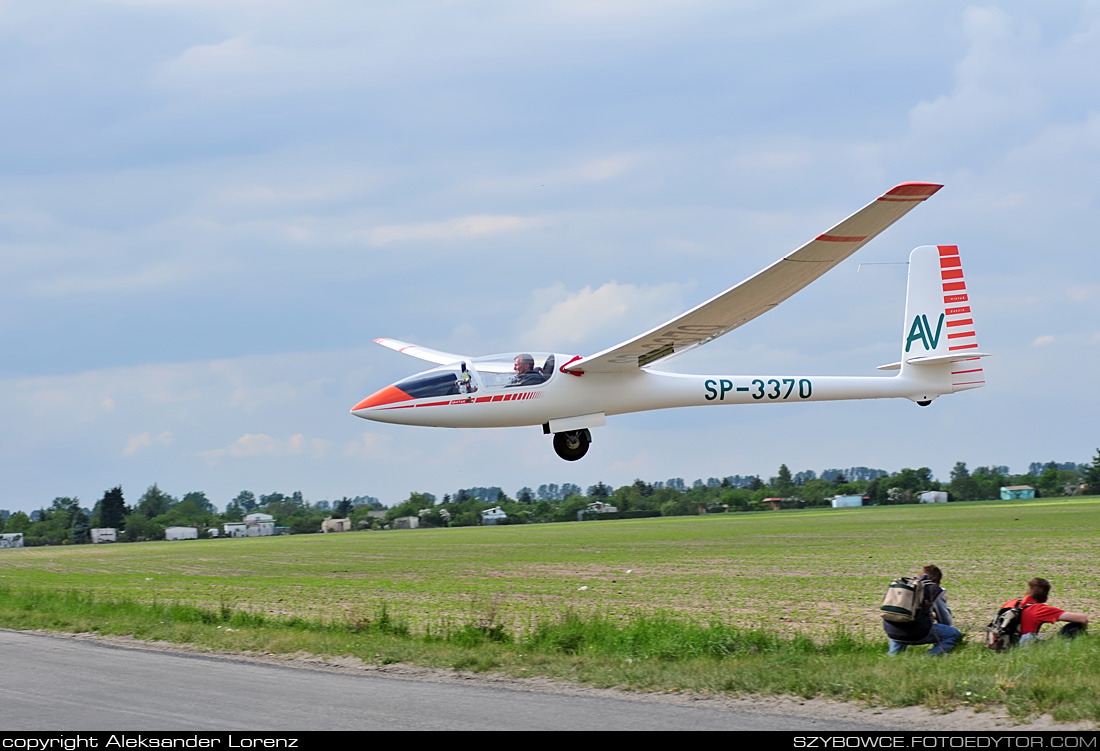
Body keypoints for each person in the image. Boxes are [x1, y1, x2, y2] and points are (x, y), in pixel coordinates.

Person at [883, 565, 961, 656]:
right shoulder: (935, 590)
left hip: (891, 630)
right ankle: (929, 658)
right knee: (953, 634)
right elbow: (945, 620)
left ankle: (892, 657)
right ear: (939, 583)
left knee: (900, 622)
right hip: (918, 633)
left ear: (920, 576)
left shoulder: (905, 585)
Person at [1004, 577, 1088, 645]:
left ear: (1027, 592)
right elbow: (1083, 619)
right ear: (1045, 599)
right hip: (1024, 646)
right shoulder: (1039, 609)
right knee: (1076, 626)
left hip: (1003, 644)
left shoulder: (1010, 603)